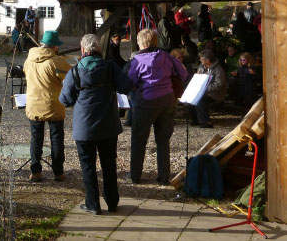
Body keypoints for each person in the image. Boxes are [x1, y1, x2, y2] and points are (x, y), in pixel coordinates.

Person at [59, 34, 132, 215]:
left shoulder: (75, 71)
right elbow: (126, 86)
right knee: (109, 164)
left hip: (84, 126)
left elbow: (65, 99)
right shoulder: (109, 67)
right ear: (98, 49)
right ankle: (112, 202)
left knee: (88, 165)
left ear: (83, 50)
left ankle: (92, 204)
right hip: (108, 124)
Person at [127, 28, 187, 184]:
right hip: (167, 100)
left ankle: (135, 175)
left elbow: (130, 82)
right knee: (163, 140)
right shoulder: (166, 56)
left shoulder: (137, 61)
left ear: (141, 43)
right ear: (155, 42)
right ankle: (163, 176)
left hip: (145, 102)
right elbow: (183, 73)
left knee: (139, 139)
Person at [23, 30, 71, 182]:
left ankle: (35, 172)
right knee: (56, 138)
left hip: (33, 104)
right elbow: (70, 77)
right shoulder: (56, 61)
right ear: (55, 46)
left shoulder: (28, 60)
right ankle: (58, 172)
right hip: (53, 105)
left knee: (36, 138)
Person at [190, 49, 227, 128]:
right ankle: (195, 120)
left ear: (208, 60)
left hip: (215, 94)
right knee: (191, 97)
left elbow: (219, 85)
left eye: (202, 59)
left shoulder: (218, 69)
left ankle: (205, 122)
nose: (200, 60)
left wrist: (204, 88)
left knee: (200, 99)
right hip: (203, 91)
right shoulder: (201, 67)